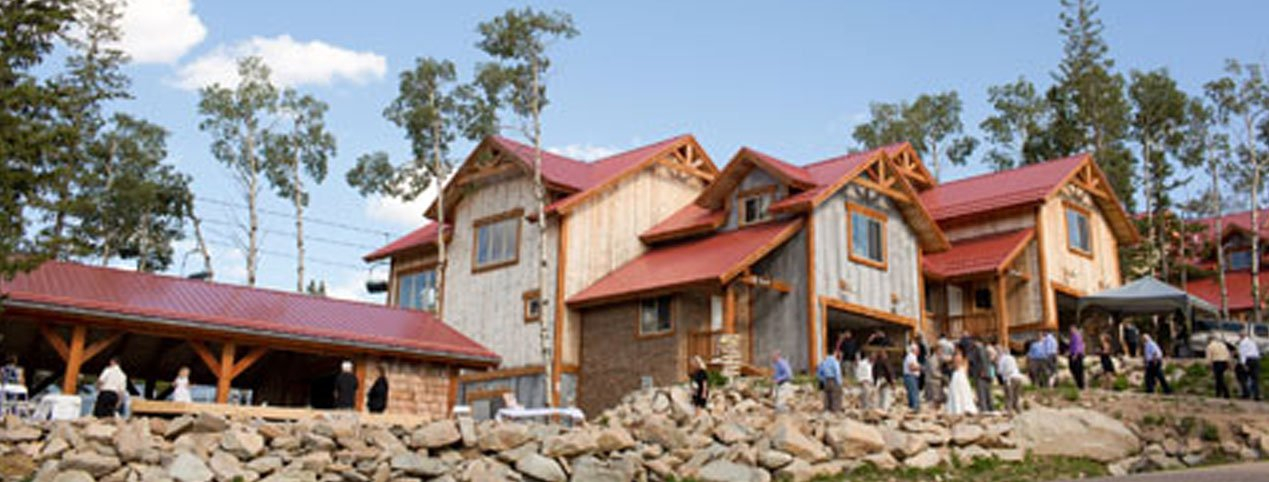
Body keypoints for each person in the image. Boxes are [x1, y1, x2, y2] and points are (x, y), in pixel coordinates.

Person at [945, 345, 978, 415]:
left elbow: (956, 366)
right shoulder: (964, 358)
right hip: (960, 375)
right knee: (959, 392)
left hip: (959, 374)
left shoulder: (958, 358)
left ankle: (959, 409)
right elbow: (964, 369)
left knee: (960, 392)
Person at [993, 345, 1024, 414]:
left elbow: (1000, 371)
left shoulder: (1002, 359)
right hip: (1018, 377)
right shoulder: (1012, 358)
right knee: (1016, 396)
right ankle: (1019, 411)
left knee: (1008, 396)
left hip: (1009, 379)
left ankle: (1009, 412)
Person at [969, 340, 995, 413]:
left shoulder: (979, 349)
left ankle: (984, 409)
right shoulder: (984, 349)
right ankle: (990, 409)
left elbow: (981, 359)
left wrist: (982, 370)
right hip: (986, 374)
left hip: (980, 374)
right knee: (987, 393)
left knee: (982, 393)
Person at [1237, 332, 1262, 401]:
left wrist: (1243, 364)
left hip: (1248, 360)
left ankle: (1246, 393)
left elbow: (1243, 354)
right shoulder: (1252, 342)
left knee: (1242, 377)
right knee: (1255, 378)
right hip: (1256, 360)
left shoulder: (1242, 343)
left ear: (1241, 336)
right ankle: (1257, 395)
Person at [902, 342, 921, 411]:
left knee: (912, 393)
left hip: (911, 377)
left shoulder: (912, 357)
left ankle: (913, 407)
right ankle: (914, 408)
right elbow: (911, 367)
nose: (919, 351)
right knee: (913, 393)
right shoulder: (911, 356)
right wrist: (920, 367)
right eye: (917, 349)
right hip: (911, 377)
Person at [1068, 326, 1086, 390]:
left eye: (1071, 329)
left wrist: (1075, 354)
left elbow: (1077, 346)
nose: (1070, 331)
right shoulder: (1073, 336)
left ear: (1075, 329)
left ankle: (1080, 385)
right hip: (1073, 354)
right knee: (1073, 368)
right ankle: (1079, 384)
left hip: (1077, 355)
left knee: (1077, 369)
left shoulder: (1077, 336)